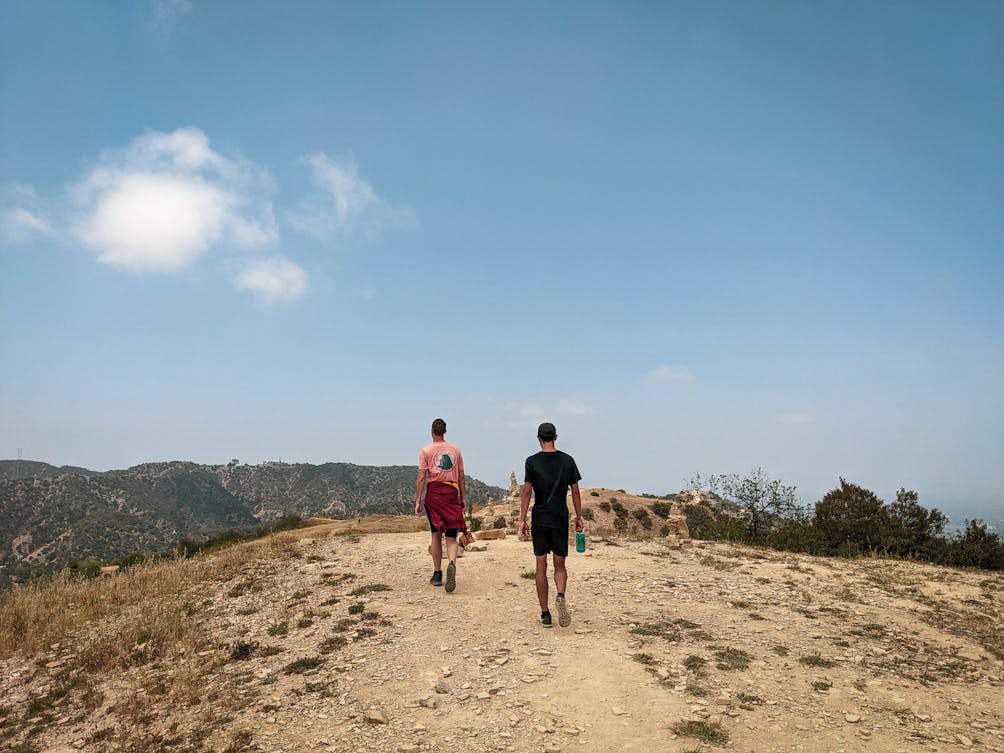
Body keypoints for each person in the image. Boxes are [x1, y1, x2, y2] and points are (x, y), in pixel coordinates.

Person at [519, 422, 583, 627]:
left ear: (538, 438)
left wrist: (522, 520)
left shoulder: (532, 462)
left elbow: (527, 491)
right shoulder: (567, 461)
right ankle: (561, 595)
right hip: (559, 517)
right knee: (559, 563)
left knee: (540, 565)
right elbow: (575, 491)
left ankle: (545, 613)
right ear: (556, 437)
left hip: (540, 517)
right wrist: (579, 517)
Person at [415, 418, 467, 593]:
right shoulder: (456, 450)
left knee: (435, 534)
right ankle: (451, 563)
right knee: (452, 536)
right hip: (452, 492)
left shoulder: (425, 451)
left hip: (434, 494)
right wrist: (462, 497)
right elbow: (461, 476)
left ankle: (437, 574)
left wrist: (417, 501)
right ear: (445, 431)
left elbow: (422, 477)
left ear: (432, 431)